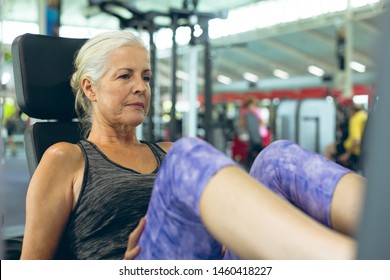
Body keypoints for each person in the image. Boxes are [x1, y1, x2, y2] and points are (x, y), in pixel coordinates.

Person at [20, 30, 366, 260]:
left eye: (146, 77)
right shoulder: (66, 159)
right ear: (90, 89)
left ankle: (377, 228)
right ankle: (348, 261)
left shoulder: (168, 152)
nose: (141, 87)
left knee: (276, 158)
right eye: (125, 76)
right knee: (188, 156)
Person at [338, 103, 368, 172]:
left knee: (329, 150)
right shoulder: (364, 115)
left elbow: (357, 141)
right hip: (364, 151)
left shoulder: (355, 119)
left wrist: (347, 154)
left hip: (354, 151)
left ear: (352, 111)